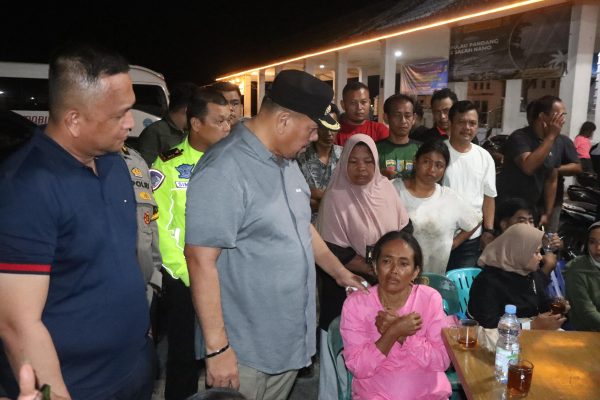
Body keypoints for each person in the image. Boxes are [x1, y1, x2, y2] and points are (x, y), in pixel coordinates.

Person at [183, 69, 366, 400]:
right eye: (311, 129)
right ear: (283, 121)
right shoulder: (225, 168)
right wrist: (217, 348)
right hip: (244, 352)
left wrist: (339, 272)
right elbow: (200, 259)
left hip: (287, 339)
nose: (315, 137)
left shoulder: (286, 160)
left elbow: (301, 225)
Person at [0, 43, 153, 399]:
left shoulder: (115, 164)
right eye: (119, 115)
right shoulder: (25, 188)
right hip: (78, 385)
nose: (131, 123)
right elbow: (17, 325)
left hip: (132, 370)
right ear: (73, 120)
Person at [316, 134, 409, 399]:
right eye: (353, 161)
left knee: (380, 347)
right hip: (345, 284)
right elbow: (334, 250)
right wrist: (377, 269)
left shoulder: (387, 189)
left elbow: (405, 230)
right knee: (342, 346)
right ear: (343, 162)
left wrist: (388, 269)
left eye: (368, 161)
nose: (361, 168)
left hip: (387, 284)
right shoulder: (335, 196)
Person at [151, 88, 231, 400]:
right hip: (185, 279)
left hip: (229, 278)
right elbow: (161, 228)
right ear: (196, 124)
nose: (227, 127)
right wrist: (190, 276)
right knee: (184, 357)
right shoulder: (168, 165)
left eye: (229, 120)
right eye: (219, 121)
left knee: (224, 356)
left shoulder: (233, 162)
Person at [340, 230, 452, 400]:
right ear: (375, 266)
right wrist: (393, 332)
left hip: (428, 394)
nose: (394, 270)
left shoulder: (429, 299)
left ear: (415, 272)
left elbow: (442, 360)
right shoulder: (356, 304)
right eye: (386, 261)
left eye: (403, 264)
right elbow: (358, 367)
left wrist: (405, 337)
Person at [393, 140, 481, 274]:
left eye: (439, 165)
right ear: (415, 161)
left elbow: (475, 220)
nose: (431, 169)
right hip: (397, 273)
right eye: (426, 162)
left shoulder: (449, 197)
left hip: (433, 276)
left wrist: (453, 243)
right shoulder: (395, 190)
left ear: (445, 169)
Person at [468, 224, 566, 329]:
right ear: (518, 252)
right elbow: (486, 325)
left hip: (530, 332)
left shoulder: (530, 274)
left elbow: (541, 305)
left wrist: (557, 308)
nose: (540, 257)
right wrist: (530, 326)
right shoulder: (487, 282)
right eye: (536, 252)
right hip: (503, 336)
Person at [496, 96, 565, 227]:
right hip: (509, 208)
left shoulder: (557, 142)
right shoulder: (520, 137)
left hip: (531, 209)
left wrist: (547, 212)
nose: (563, 120)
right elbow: (528, 167)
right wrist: (551, 137)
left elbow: (551, 180)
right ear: (542, 116)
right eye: (559, 115)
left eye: (563, 115)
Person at [443, 101, 497, 269]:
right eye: (461, 122)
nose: (467, 127)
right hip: (438, 235)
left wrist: (488, 231)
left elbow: (489, 197)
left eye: (472, 123)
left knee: (461, 283)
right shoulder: (438, 152)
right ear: (450, 123)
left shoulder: (484, 157)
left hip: (471, 239)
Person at [121, 145, 163, 304]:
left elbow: (150, 222)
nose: (127, 132)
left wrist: (154, 276)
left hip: (142, 288)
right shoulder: (82, 162)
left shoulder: (136, 161)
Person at [297, 103, 342, 223]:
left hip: (338, 225)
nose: (329, 133)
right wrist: (308, 192)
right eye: (323, 127)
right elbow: (292, 192)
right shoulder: (299, 156)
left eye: (332, 127)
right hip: (306, 225)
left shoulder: (345, 156)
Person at [137, 81, 197, 165]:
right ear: (187, 109)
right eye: (197, 110)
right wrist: (175, 153)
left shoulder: (191, 132)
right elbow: (146, 166)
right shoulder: (155, 132)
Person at [565, 221, 600, 331]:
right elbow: (587, 313)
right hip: (585, 331)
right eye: (592, 242)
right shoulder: (576, 269)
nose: (598, 248)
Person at [377, 94, 421, 179]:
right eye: (397, 115)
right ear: (386, 118)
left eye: (407, 116)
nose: (403, 121)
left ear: (414, 118)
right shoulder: (375, 149)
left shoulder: (422, 150)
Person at [336, 81, 388, 146]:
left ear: (369, 103)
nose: (359, 107)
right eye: (353, 103)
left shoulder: (379, 130)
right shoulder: (334, 132)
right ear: (343, 104)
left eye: (363, 102)